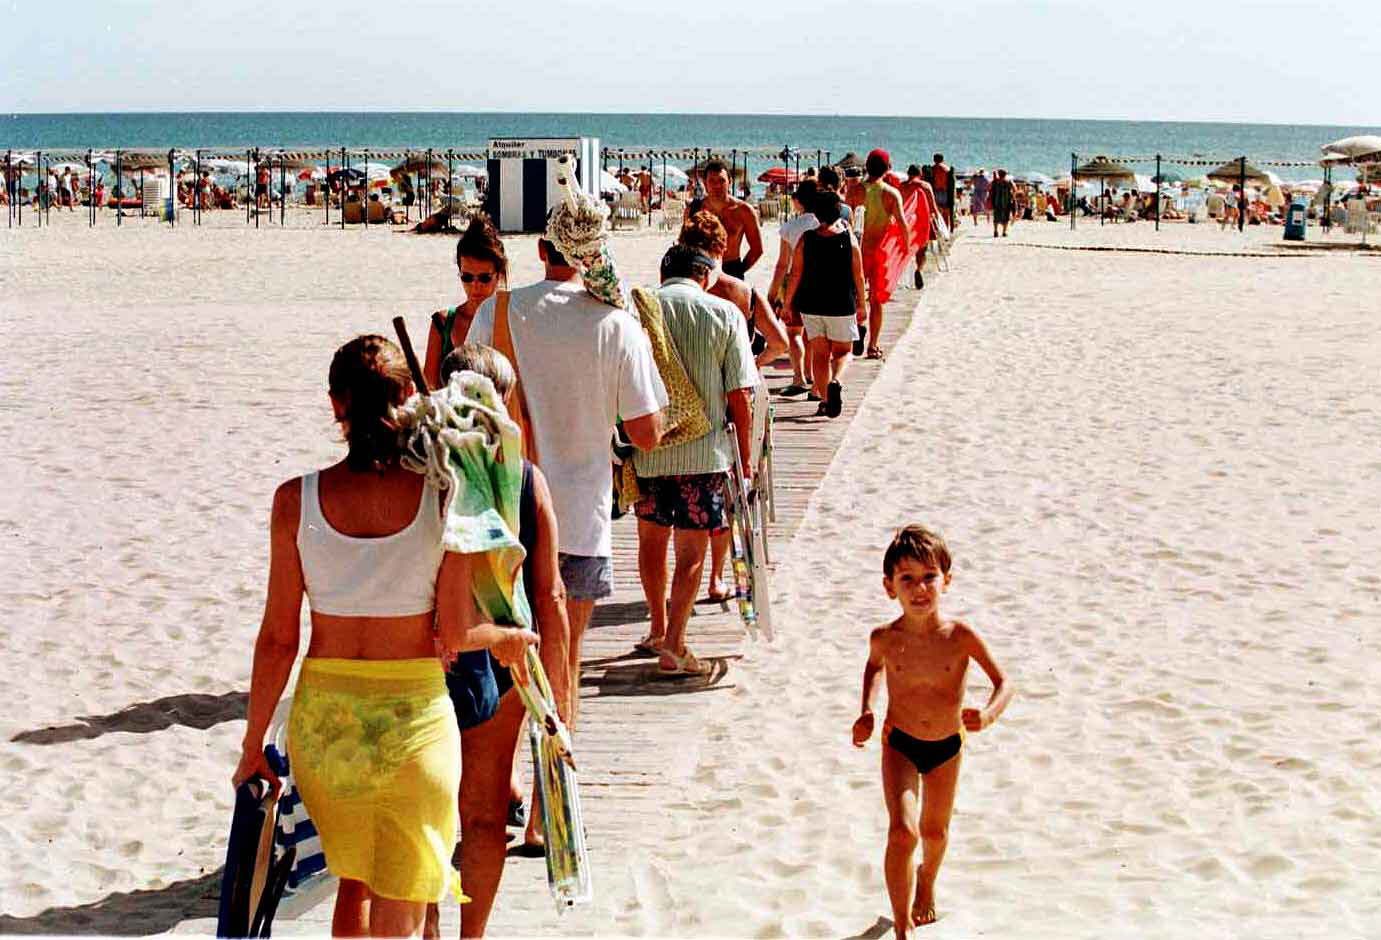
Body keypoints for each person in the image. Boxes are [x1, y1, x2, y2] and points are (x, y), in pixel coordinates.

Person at [234, 335, 539, 938]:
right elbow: (454, 630)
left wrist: (251, 744)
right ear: (408, 397)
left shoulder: (296, 501)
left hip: (327, 723)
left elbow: (277, 638)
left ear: (334, 405)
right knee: (404, 889)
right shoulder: (443, 494)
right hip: (415, 721)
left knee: (353, 878)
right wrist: (505, 637)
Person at [466, 235, 667, 726]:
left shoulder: (497, 310)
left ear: (541, 249)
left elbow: (463, 394)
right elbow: (647, 434)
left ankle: (504, 789)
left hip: (502, 512)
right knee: (564, 667)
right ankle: (551, 796)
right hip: (578, 515)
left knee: (501, 676)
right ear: (597, 252)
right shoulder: (615, 323)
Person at [422, 343, 573, 938]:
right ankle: (471, 935)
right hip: (503, 655)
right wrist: (557, 692)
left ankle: (429, 925)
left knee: (429, 811)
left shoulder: (420, 476)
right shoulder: (525, 481)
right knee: (483, 816)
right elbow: (551, 592)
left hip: (426, 654)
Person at [852, 526, 1014, 936]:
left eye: (929, 577)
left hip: (947, 746)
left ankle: (926, 880)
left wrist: (990, 714)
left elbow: (1004, 682)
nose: (920, 588)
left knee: (934, 833)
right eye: (907, 579)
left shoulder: (960, 636)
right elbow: (873, 667)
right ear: (890, 587)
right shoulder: (885, 638)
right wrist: (867, 711)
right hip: (899, 743)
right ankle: (903, 926)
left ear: (947, 580)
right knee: (902, 831)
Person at [632, 244, 757, 675]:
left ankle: (656, 626)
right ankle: (675, 644)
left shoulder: (637, 312)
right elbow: (740, 394)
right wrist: (746, 454)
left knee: (651, 543)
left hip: (649, 448)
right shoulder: (724, 314)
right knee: (691, 552)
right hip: (705, 454)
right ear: (705, 275)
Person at [677, 210, 787, 603]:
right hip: (736, 399)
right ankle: (717, 577)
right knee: (730, 492)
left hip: (693, 399)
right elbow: (780, 344)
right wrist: (751, 366)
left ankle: (702, 576)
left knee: (691, 497)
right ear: (723, 248)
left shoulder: (683, 293)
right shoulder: (743, 294)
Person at [782, 191, 865, 418]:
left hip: (812, 303)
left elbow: (795, 274)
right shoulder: (848, 238)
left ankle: (825, 400)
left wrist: (787, 304)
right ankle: (835, 381)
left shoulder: (806, 239)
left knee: (819, 354)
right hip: (841, 302)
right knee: (842, 352)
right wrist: (862, 305)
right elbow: (858, 275)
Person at [423, 214, 508, 389]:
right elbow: (429, 387)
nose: (475, 286)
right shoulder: (443, 323)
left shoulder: (511, 320)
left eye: (484, 278)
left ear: (499, 275)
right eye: (467, 277)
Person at [767, 179, 821, 398]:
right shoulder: (822, 224)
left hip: (793, 282)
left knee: (794, 333)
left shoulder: (790, 228)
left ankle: (798, 377)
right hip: (817, 280)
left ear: (798, 202)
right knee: (814, 333)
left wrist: (772, 292)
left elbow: (782, 264)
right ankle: (813, 377)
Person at [857, 149, 910, 360]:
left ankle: (856, 330)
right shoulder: (890, 194)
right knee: (876, 301)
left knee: (854, 297)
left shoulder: (854, 191)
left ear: (866, 167)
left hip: (856, 252)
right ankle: (872, 345)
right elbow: (904, 225)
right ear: (887, 169)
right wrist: (906, 249)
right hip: (879, 253)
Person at [697, 159, 763, 278]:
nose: (717, 185)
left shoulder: (744, 211)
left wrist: (739, 270)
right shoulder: (695, 210)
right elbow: (685, 245)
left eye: (722, 180)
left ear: (730, 182)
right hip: (702, 269)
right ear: (705, 183)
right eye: (712, 181)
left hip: (732, 268)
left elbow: (757, 249)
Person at [896, 165, 936, 289]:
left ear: (908, 173)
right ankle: (919, 269)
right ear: (920, 174)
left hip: (907, 221)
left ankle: (902, 272)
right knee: (922, 248)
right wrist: (936, 216)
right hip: (922, 221)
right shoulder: (924, 185)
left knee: (905, 247)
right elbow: (933, 205)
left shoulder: (901, 186)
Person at [929, 154, 954, 229]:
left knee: (936, 211)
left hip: (935, 191)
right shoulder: (946, 169)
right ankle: (946, 228)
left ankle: (938, 228)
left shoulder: (932, 169)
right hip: (945, 191)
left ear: (934, 160)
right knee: (946, 212)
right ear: (943, 160)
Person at [990, 169, 1016, 237]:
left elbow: (989, 188)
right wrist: (1012, 195)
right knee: (1006, 217)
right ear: (1005, 175)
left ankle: (995, 231)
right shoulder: (1009, 181)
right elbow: (1015, 189)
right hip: (1006, 202)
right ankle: (1004, 232)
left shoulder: (995, 181)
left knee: (996, 217)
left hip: (997, 201)